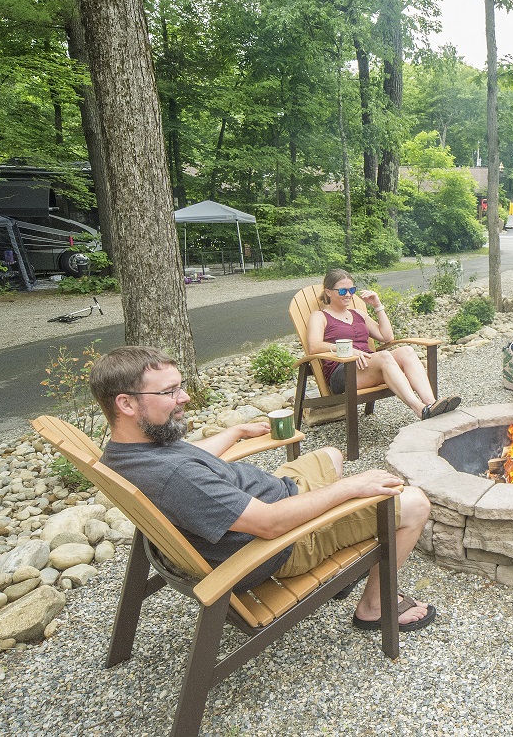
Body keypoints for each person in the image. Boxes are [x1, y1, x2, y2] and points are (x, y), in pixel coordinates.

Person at [89, 346, 437, 632]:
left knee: (331, 454)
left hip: (276, 497)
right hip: (282, 543)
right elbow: (269, 523)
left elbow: (193, 456)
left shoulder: (131, 449)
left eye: (179, 386)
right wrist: (350, 488)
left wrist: (236, 432)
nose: (185, 397)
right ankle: (374, 607)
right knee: (414, 502)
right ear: (126, 403)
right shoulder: (174, 476)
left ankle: (348, 558)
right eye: (169, 392)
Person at [307, 268, 459, 421]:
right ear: (328, 292)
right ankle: (420, 410)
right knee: (385, 356)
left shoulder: (358, 314)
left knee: (407, 351)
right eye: (342, 291)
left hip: (369, 365)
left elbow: (386, 337)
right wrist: (347, 350)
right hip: (343, 372)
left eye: (351, 290)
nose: (348, 295)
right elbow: (314, 346)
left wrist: (377, 305)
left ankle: (431, 404)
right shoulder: (320, 316)